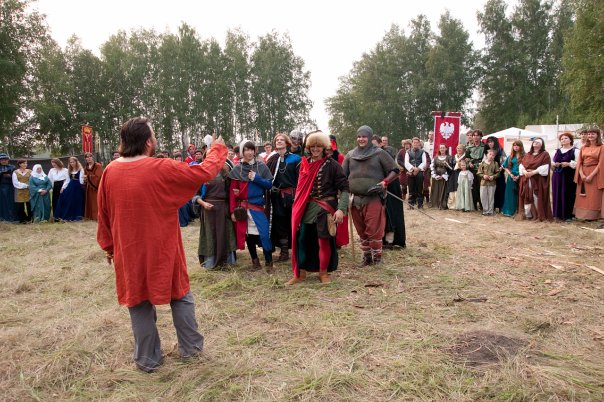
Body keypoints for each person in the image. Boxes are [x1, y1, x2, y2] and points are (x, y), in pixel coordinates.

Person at [97, 117, 227, 373]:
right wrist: (217, 149)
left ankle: (148, 360)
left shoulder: (110, 171)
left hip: (129, 251)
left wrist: (109, 246)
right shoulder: (160, 167)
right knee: (180, 295)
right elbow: (204, 172)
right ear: (148, 142)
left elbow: (104, 215)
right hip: (163, 249)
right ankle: (191, 350)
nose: (155, 139)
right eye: (154, 135)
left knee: (138, 302)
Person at [288, 131, 349, 285]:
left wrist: (341, 209)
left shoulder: (333, 165)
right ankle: (301, 273)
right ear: (308, 148)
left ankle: (323, 273)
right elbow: (300, 188)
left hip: (325, 208)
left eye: (318, 146)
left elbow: (345, 188)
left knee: (323, 241)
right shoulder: (304, 164)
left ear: (324, 147)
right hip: (306, 208)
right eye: (312, 146)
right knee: (302, 240)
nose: (315, 149)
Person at [343, 125, 399, 266]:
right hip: (355, 199)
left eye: (364, 136)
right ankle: (367, 257)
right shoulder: (350, 155)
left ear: (369, 137)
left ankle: (377, 257)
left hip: (373, 198)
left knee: (374, 229)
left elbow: (395, 170)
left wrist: (384, 182)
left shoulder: (379, 153)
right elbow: (342, 177)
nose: (361, 139)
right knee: (361, 230)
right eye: (359, 136)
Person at [229, 140, 274, 271]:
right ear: (242, 152)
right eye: (246, 150)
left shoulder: (261, 166)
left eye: (251, 149)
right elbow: (232, 194)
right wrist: (232, 211)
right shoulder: (237, 169)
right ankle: (255, 262)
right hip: (243, 209)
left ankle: (269, 262)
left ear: (254, 151)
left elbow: (269, 185)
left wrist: (256, 178)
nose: (249, 152)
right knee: (248, 235)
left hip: (257, 207)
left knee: (264, 234)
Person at [193, 144, 236, 270]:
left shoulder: (226, 171)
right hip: (208, 209)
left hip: (223, 207)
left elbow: (231, 191)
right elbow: (194, 194)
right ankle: (210, 262)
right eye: (210, 155)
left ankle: (227, 261)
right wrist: (203, 203)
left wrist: (232, 203)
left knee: (225, 234)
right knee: (210, 235)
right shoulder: (201, 172)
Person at [266, 133, 301, 261]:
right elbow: (267, 178)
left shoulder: (295, 159)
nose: (279, 141)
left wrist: (298, 195)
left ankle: (298, 251)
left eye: (282, 140)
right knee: (280, 223)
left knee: (295, 222)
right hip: (277, 197)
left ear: (287, 143)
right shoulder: (272, 159)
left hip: (292, 196)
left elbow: (300, 179)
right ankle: (284, 252)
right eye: (277, 140)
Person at [518, 138, 553, 221]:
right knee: (527, 195)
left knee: (536, 196)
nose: (535, 143)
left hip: (537, 179)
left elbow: (545, 167)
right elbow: (522, 165)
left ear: (542, 144)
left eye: (538, 142)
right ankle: (530, 214)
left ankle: (539, 215)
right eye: (534, 141)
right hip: (527, 178)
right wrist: (524, 171)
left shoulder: (545, 154)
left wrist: (533, 172)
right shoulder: (528, 154)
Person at [574, 127, 603, 220]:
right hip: (583, 172)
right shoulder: (583, 147)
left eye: (593, 134)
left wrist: (591, 175)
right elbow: (579, 162)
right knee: (582, 195)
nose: (590, 135)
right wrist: (581, 174)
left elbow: (601, 163)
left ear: (597, 135)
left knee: (593, 195)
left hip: (595, 173)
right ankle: (581, 215)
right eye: (589, 134)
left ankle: (593, 216)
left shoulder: (601, 147)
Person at [327, 135, 349, 248]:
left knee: (340, 216)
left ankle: (339, 241)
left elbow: (343, 174)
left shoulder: (340, 157)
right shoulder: (322, 157)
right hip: (328, 191)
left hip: (339, 190)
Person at [552, 132, 579, 221]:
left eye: (566, 138)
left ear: (570, 140)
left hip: (569, 175)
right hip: (557, 175)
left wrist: (568, 164)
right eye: (562, 139)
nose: (563, 140)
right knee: (557, 193)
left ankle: (568, 215)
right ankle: (557, 214)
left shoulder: (575, 151)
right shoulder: (556, 151)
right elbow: (551, 162)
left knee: (568, 194)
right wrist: (555, 164)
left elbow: (578, 163)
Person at [54, 157, 85, 221]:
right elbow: (67, 180)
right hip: (70, 187)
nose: (72, 163)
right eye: (71, 162)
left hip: (77, 187)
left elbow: (81, 181)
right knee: (66, 199)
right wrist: (63, 187)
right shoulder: (69, 170)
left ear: (76, 162)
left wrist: (81, 187)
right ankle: (67, 215)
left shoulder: (80, 170)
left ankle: (77, 215)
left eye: (73, 162)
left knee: (76, 201)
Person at [501, 140, 525, 217]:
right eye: (514, 145)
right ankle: (509, 211)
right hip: (511, 177)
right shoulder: (511, 156)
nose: (516, 147)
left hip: (521, 177)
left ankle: (519, 211)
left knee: (520, 194)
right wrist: (511, 174)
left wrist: (519, 176)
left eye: (517, 145)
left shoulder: (524, 156)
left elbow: (526, 167)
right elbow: (505, 166)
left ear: (521, 146)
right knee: (510, 194)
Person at [484, 136, 506, 212]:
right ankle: (491, 206)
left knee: (500, 190)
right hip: (489, 173)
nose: (490, 143)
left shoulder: (500, 150)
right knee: (490, 191)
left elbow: (504, 160)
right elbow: (484, 161)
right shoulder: (485, 151)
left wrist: (501, 168)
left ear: (495, 142)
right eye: (488, 142)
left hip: (499, 173)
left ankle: (500, 206)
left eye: (491, 141)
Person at [465, 129, 485, 210]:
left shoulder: (484, 146)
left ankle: (482, 205)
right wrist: (469, 163)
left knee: (481, 187)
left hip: (482, 169)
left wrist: (482, 163)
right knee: (473, 187)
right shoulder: (469, 147)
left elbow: (486, 157)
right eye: (474, 135)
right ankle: (473, 205)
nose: (475, 137)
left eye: (477, 135)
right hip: (472, 169)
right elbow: (466, 158)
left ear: (480, 137)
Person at [404, 137, 427, 209]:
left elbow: (424, 162)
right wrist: (413, 168)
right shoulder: (408, 152)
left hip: (419, 172)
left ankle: (420, 204)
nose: (415, 144)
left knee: (420, 188)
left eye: (417, 142)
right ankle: (411, 203)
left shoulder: (422, 152)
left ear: (419, 143)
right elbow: (406, 162)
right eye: (414, 142)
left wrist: (418, 169)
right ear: (412, 143)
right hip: (411, 171)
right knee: (411, 188)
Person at [477, 149, 501, 216]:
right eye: (490, 154)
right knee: (483, 196)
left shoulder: (495, 163)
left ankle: (490, 211)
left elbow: (498, 173)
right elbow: (479, 172)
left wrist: (493, 176)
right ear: (487, 155)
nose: (491, 156)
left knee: (491, 197)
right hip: (483, 183)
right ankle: (485, 210)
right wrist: (483, 176)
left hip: (492, 183)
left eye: (493, 155)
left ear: (494, 156)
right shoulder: (482, 163)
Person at [429, 144, 451, 210]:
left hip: (445, 177)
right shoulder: (435, 157)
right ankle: (435, 203)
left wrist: (444, 176)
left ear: (446, 149)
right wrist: (435, 175)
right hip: (436, 176)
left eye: (443, 148)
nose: (442, 149)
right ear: (439, 149)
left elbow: (451, 168)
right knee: (436, 190)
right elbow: (432, 167)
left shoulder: (449, 158)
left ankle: (442, 204)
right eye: (441, 148)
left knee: (443, 190)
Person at [83, 152, 104, 221]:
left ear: (92, 157)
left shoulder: (98, 166)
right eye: (87, 157)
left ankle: (97, 216)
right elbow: (85, 177)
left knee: (96, 202)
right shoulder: (86, 167)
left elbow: (99, 176)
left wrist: (88, 177)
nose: (88, 158)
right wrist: (85, 179)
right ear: (85, 159)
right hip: (89, 187)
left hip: (96, 187)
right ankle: (90, 216)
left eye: (90, 156)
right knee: (90, 202)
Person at [12, 159, 32, 223]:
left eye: (26, 163)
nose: (25, 164)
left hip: (29, 190)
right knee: (20, 206)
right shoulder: (15, 172)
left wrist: (29, 185)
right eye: (23, 163)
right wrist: (25, 185)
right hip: (19, 191)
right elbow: (15, 183)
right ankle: (23, 219)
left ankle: (30, 219)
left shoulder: (30, 171)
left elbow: (32, 180)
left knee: (29, 205)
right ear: (20, 164)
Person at [447, 144, 466, 209]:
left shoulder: (465, 157)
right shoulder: (453, 157)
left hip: (461, 174)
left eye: (460, 148)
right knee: (452, 187)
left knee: (460, 188)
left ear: (463, 150)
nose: (459, 149)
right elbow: (451, 166)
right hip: (453, 174)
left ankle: (460, 205)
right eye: (458, 148)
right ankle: (453, 205)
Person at [0, 153, 17, 222]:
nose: (4, 161)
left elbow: (16, 176)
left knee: (11, 202)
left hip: (10, 187)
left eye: (5, 159)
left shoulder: (12, 167)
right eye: (2, 160)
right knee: (2, 202)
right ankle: (2, 217)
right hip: (1, 186)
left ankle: (12, 217)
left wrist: (10, 176)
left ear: (8, 160)